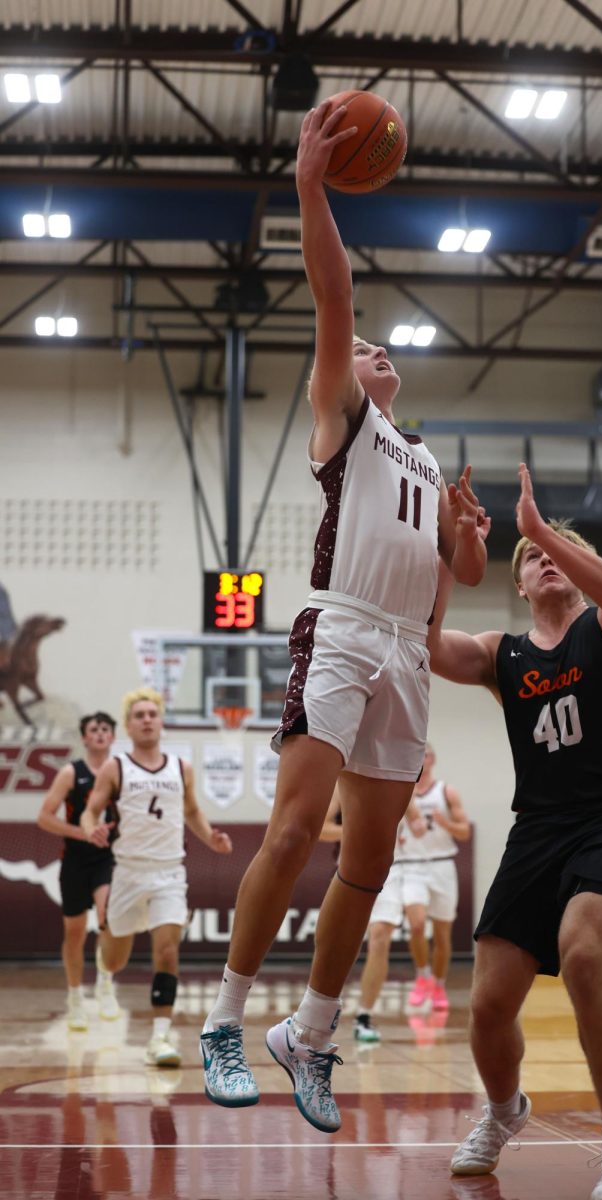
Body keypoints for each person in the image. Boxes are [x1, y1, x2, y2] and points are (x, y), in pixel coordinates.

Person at [199, 96, 487, 1127]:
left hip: (405, 651)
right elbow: (333, 294)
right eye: (359, 348)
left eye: (375, 348)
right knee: (289, 833)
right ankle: (226, 1020)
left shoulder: (424, 455)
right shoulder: (344, 422)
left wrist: (464, 543)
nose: (370, 350)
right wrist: (310, 187)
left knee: (367, 864)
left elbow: (450, 584)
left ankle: (309, 1038)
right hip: (341, 627)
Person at [427, 463, 602, 1200]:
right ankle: (503, 1113)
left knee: (586, 956)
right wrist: (447, 546)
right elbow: (430, 648)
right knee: (490, 1001)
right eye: (531, 558)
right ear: (520, 587)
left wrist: (537, 529)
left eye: (559, 550)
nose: (545, 558)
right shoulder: (504, 654)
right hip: (538, 830)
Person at [81, 687, 232, 1067]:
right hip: (129, 873)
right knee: (115, 962)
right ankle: (105, 957)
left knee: (167, 950)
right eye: (139, 715)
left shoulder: (182, 767)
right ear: (129, 726)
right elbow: (90, 812)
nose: (147, 719)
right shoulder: (116, 767)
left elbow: (193, 812)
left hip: (169, 872)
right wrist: (90, 828)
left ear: (161, 722)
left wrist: (211, 837)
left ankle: (160, 1038)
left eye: (153, 713)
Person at [318, 787, 425, 1045]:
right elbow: (322, 830)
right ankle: (318, 1012)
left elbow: (417, 824)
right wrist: (357, 832)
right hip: (349, 869)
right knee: (336, 944)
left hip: (390, 871)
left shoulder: (403, 785)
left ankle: (364, 1015)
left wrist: (418, 825)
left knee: (380, 938)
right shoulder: (342, 786)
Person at [36, 710, 119, 1030]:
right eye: (93, 729)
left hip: (107, 859)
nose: (99, 733)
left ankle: (106, 984)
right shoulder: (72, 772)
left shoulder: (119, 771)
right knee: (73, 933)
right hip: (74, 860)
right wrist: (82, 831)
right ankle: (74, 998)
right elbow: (44, 817)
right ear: (85, 738)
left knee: (107, 916)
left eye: (105, 729)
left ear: (112, 737)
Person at [403, 744, 471, 1014]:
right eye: (418, 755)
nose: (422, 759)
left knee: (443, 935)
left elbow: (464, 831)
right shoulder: (402, 791)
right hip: (410, 866)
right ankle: (422, 975)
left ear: (432, 760)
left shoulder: (446, 791)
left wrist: (446, 824)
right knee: (417, 924)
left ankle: (439, 984)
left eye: (426, 755)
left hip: (442, 865)